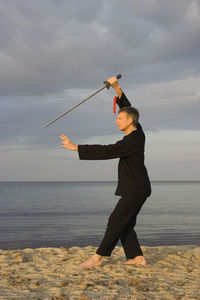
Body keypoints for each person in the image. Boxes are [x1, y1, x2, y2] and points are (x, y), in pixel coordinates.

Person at [59, 76, 151, 268]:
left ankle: (98, 257)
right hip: (137, 187)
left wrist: (76, 147)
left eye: (119, 118)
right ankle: (137, 257)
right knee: (125, 223)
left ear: (130, 121)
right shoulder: (138, 131)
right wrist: (117, 89)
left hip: (135, 189)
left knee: (116, 220)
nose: (116, 121)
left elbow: (106, 150)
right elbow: (128, 108)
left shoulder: (131, 141)